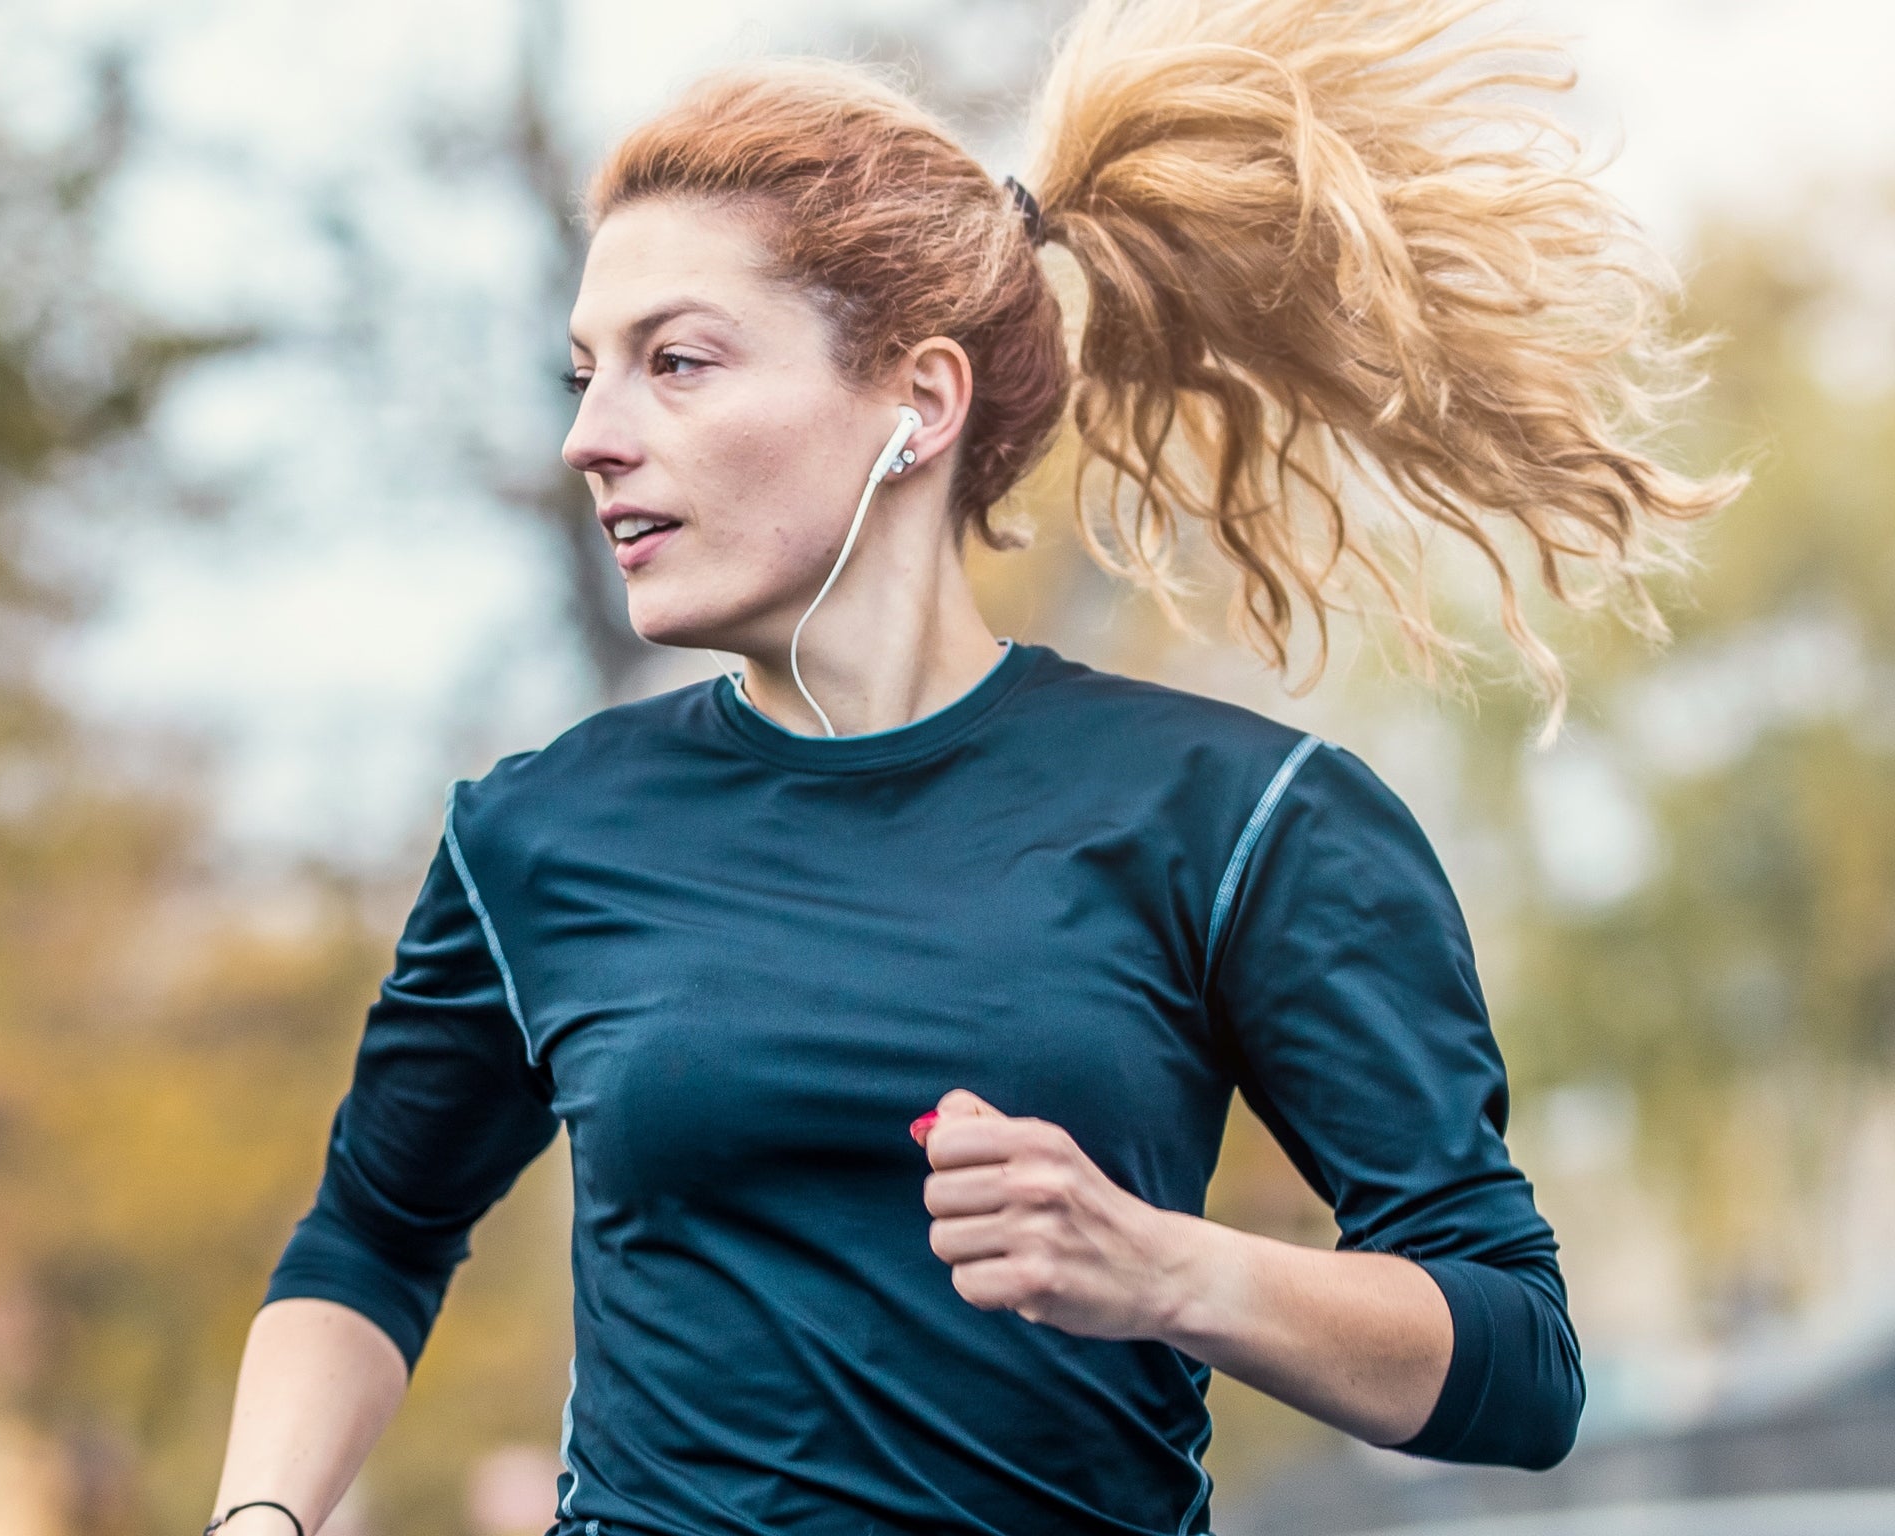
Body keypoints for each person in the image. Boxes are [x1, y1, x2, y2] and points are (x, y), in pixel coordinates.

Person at [204, 1, 1743, 1533]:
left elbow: (1522, 1368)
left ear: (917, 405)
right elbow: (369, 1244)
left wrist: (1166, 1270)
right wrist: (260, 1519)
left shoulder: (1237, 819)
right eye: (583, 375)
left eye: (674, 362)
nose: (592, 437)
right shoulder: (536, 834)